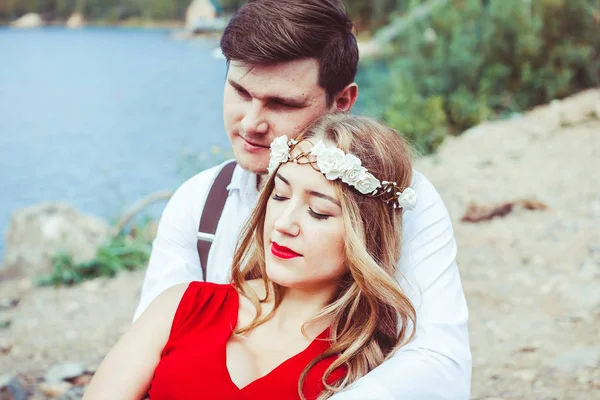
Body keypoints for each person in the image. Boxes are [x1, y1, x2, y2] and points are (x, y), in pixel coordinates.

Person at [134, 0, 471, 398]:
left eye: (282, 103)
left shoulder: (398, 200)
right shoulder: (199, 201)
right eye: (240, 91)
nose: (251, 124)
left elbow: (440, 365)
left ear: (342, 102)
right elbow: (150, 350)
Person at [84, 114, 421, 399]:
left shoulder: (371, 364)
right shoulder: (183, 307)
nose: (284, 223)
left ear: (366, 233)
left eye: (318, 212)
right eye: (279, 194)